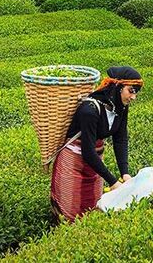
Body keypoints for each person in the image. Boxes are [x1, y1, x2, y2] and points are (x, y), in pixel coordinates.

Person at [50, 65, 143, 223]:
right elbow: (87, 152)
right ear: (118, 87)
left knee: (91, 206)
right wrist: (113, 182)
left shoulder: (121, 107)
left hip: (94, 162)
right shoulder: (90, 110)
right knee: (70, 209)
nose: (133, 97)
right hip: (73, 161)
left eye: (136, 92)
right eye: (131, 91)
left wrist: (124, 174)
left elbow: (120, 138)